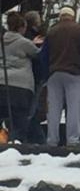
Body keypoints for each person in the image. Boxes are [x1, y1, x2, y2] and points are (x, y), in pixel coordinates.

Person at [40, 6, 80, 148]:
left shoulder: (52, 32)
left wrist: (46, 75)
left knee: (53, 110)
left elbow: (43, 56)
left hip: (54, 74)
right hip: (74, 74)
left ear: (60, 17)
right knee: (74, 108)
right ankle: (73, 141)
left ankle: (52, 140)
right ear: (72, 16)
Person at [0, 12, 42, 142]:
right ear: (21, 27)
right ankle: (17, 148)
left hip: (1, 82)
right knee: (19, 122)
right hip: (20, 87)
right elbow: (38, 55)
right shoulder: (24, 43)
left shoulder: (1, 41)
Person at [23, 10, 46, 144]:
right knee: (31, 109)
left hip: (31, 76)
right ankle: (34, 137)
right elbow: (38, 56)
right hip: (34, 76)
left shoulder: (26, 36)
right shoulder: (32, 38)